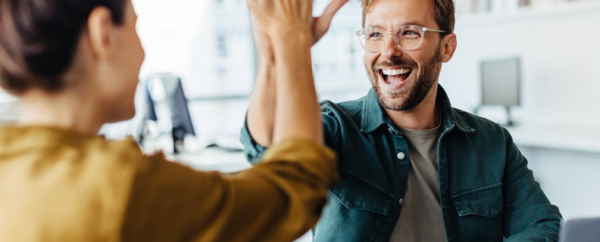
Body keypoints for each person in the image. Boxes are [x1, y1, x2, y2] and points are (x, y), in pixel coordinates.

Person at [0, 0, 344, 241]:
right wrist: (292, 40)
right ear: (102, 33)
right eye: (135, 27)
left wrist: (274, 56)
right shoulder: (117, 185)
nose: (144, 52)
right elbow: (292, 193)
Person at [242, 0, 563, 241]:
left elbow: (542, 225)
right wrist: (279, 53)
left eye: (410, 32)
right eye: (375, 33)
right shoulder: (336, 127)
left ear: (447, 47)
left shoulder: (492, 142)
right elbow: (267, 148)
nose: (389, 51)